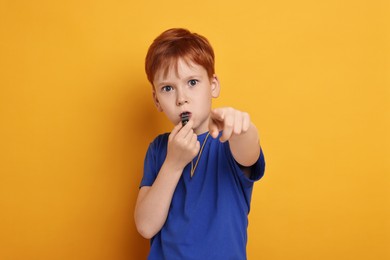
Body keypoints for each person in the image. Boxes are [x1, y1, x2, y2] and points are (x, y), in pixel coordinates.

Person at [134, 28, 265, 260]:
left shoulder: (228, 140)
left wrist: (242, 128)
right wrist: (173, 164)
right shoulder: (158, 149)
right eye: (167, 88)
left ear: (213, 85)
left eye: (192, 82)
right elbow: (145, 226)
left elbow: (249, 150)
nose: (181, 97)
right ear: (157, 100)